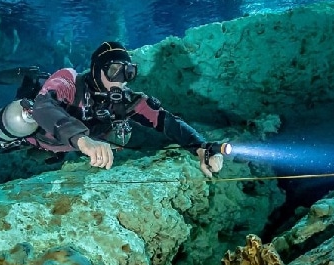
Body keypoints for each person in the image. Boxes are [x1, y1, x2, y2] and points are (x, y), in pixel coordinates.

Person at [25, 41, 224, 177]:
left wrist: (201, 147)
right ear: (96, 70)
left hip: (61, 147)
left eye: (128, 73)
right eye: (114, 71)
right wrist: (82, 140)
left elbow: (167, 121)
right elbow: (43, 106)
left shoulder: (125, 100)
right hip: (30, 136)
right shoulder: (69, 82)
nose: (120, 81)